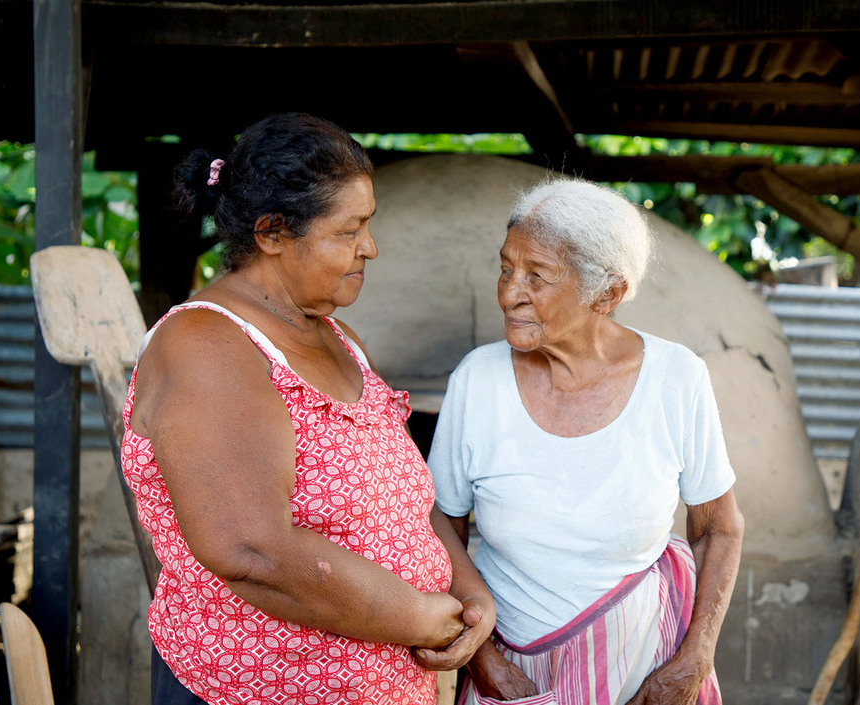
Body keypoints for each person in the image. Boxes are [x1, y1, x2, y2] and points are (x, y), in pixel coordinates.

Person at [120, 112, 495, 705]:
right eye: (349, 231)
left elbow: (404, 499)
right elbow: (250, 549)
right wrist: (421, 619)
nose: (369, 248)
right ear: (271, 233)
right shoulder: (207, 347)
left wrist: (470, 593)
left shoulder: (341, 339)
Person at [426, 178, 744, 705]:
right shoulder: (478, 380)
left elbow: (721, 530)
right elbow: (440, 523)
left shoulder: (676, 378)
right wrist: (483, 660)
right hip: (512, 669)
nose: (509, 293)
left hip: (645, 666)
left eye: (537, 276)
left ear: (609, 293)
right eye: (506, 268)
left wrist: (694, 659)